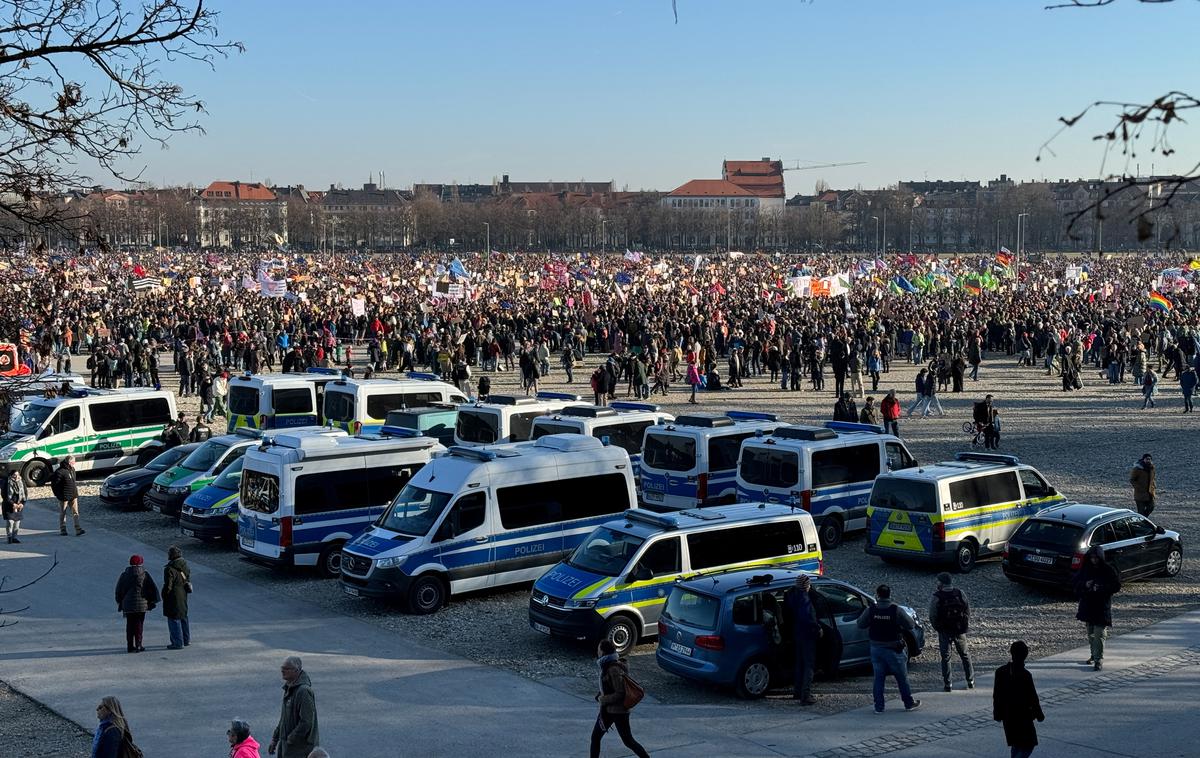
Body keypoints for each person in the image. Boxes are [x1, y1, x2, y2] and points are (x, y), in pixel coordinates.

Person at [856, 584, 920, 714]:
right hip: (893, 649)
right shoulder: (896, 610)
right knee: (902, 677)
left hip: (876, 649)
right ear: (890, 594)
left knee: (878, 678)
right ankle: (908, 703)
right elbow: (910, 624)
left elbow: (860, 624)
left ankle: (879, 707)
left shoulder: (871, 609)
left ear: (877, 595)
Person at [590, 638, 651, 758]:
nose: (597, 651)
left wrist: (603, 699)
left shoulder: (614, 669)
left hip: (619, 712)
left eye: (599, 649)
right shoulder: (606, 665)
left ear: (603, 652)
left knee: (628, 741)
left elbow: (620, 693)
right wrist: (600, 694)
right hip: (607, 711)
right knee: (595, 737)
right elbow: (608, 685)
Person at [993, 640, 1045, 758]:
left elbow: (996, 695)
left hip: (1008, 716)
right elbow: (1033, 698)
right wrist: (1039, 715)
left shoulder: (1000, 672)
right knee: (1028, 745)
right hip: (1023, 717)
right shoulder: (1025, 675)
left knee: (1016, 744)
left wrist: (997, 713)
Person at [1073, 545, 1121, 671]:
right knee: (1090, 634)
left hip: (1101, 606)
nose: (1094, 560)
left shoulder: (1108, 569)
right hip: (1088, 605)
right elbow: (1075, 583)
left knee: (1099, 634)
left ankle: (1098, 659)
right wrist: (1085, 584)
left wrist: (1101, 588)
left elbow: (1116, 586)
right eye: (1092, 558)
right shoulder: (1086, 569)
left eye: (1096, 558)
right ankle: (1094, 655)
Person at [928, 572, 975, 692]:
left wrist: (938, 628)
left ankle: (948, 684)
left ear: (941, 583)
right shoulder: (959, 593)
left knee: (946, 657)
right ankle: (970, 681)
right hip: (959, 630)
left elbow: (932, 615)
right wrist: (964, 624)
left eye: (938, 581)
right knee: (965, 655)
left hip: (944, 631)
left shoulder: (937, 596)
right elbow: (967, 610)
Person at [271, 656, 319, 758]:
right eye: (282, 668)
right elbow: (284, 718)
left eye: (286, 668)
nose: (282, 671)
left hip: (299, 749)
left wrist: (291, 738)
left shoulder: (303, 691)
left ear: (296, 670)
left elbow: (306, 722)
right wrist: (275, 739)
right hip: (288, 746)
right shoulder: (289, 687)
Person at [783, 574, 820, 705]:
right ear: (807, 586)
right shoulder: (805, 600)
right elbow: (809, 619)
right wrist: (817, 629)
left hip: (796, 633)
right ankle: (805, 695)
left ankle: (797, 691)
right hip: (807, 635)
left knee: (799, 663)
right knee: (809, 665)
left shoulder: (791, 595)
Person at [115, 554, 159, 653]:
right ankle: (139, 645)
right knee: (139, 624)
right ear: (141, 563)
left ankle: (130, 646)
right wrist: (152, 601)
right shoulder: (145, 574)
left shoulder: (124, 575)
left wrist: (119, 601)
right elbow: (151, 588)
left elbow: (119, 589)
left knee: (129, 624)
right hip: (141, 604)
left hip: (128, 604)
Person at [163, 545, 192, 650]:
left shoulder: (169, 569)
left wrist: (164, 595)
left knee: (173, 618)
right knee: (183, 616)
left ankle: (177, 642)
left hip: (173, 596)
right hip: (183, 594)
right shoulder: (185, 566)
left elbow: (168, 586)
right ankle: (186, 640)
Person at [50, 455, 83, 536]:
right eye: (73, 461)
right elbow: (54, 485)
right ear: (69, 462)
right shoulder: (59, 472)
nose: (75, 463)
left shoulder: (72, 469)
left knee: (76, 512)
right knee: (63, 513)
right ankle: (63, 529)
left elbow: (73, 482)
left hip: (73, 495)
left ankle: (78, 529)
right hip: (63, 497)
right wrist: (58, 495)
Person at [2, 468, 25, 543]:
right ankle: (9, 536)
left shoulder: (22, 482)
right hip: (8, 505)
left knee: (17, 523)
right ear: (11, 475)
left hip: (19, 505)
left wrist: (22, 503)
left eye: (18, 475)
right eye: (14, 475)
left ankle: (14, 537)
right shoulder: (6, 483)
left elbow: (25, 494)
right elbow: (4, 495)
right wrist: (13, 504)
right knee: (10, 522)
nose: (16, 477)